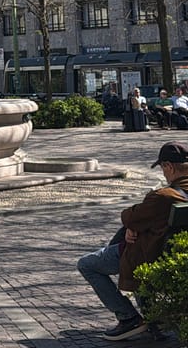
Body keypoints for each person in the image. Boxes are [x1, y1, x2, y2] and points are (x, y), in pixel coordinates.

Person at [77, 141, 188, 341]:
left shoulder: (163, 196)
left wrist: (132, 225)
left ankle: (128, 318)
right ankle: (153, 318)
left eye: (163, 169)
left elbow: (129, 216)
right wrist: (134, 225)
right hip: (172, 253)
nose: (163, 174)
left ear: (169, 166)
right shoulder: (172, 195)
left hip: (148, 253)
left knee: (86, 264)